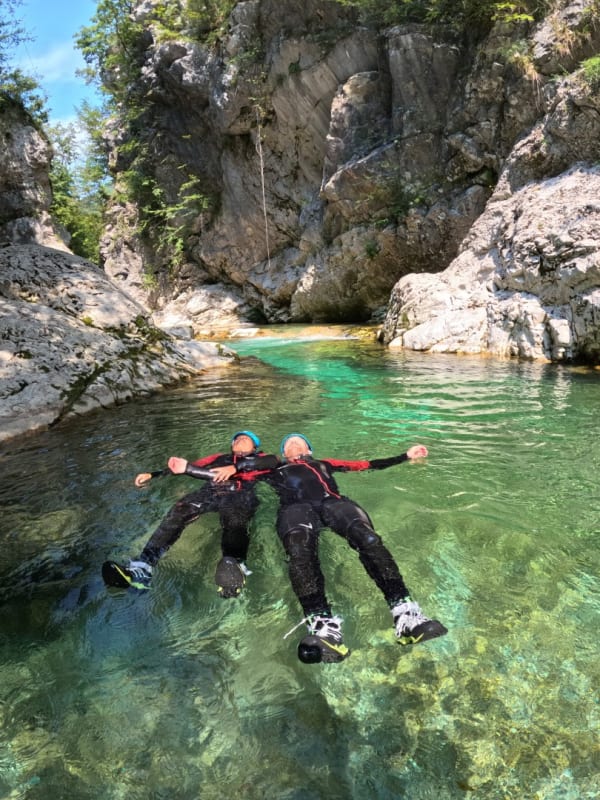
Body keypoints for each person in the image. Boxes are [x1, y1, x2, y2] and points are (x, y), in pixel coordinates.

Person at [259, 433, 447, 664]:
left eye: (300, 441)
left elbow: (366, 465)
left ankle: (406, 615)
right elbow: (233, 477)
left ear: (309, 450)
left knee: (368, 538)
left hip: (334, 503)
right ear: (282, 454)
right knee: (298, 548)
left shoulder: (326, 463)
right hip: (295, 508)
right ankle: (322, 626)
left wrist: (405, 456)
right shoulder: (270, 470)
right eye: (288, 443)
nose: (294, 443)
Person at [102, 431, 278, 597]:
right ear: (231, 445)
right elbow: (186, 467)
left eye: (246, 439)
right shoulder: (218, 457)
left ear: (254, 448)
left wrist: (235, 467)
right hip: (210, 492)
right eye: (237, 439)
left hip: (240, 493)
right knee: (180, 509)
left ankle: (235, 567)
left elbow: (274, 461)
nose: (241, 440)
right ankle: (142, 568)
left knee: (234, 519)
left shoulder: (260, 459)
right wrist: (153, 475)